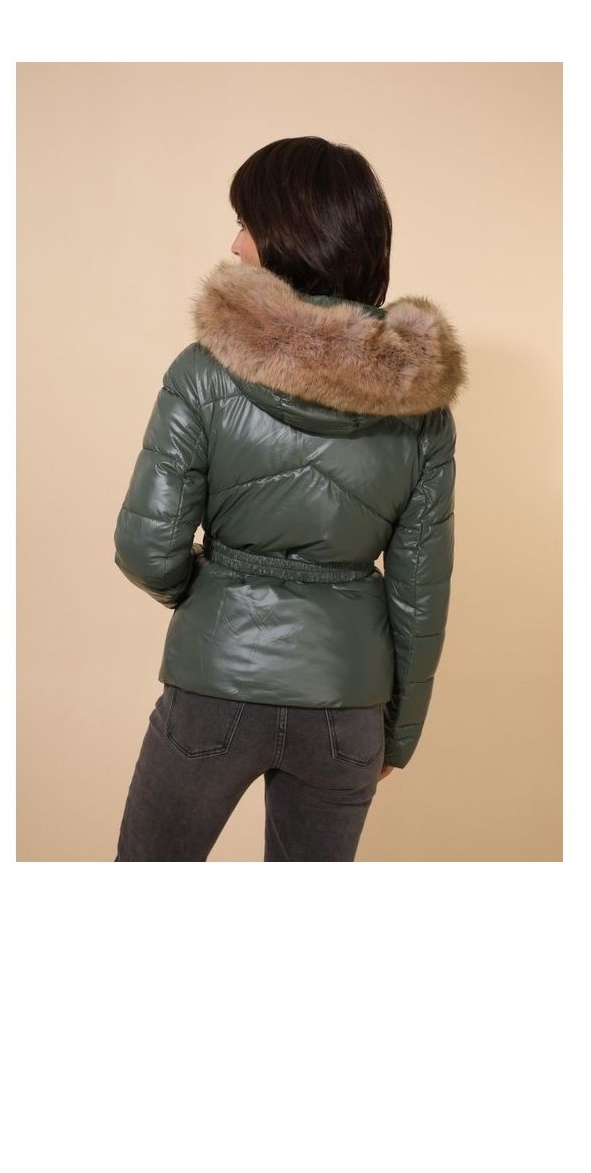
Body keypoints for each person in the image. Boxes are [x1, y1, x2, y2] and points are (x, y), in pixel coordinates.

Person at [112, 136, 467, 861]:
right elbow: (420, 594)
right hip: (346, 705)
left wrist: (214, 595)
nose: (234, 245)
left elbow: (146, 548)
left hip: (215, 684)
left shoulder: (203, 372)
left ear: (286, 234)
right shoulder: (421, 410)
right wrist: (398, 732)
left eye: (246, 222)